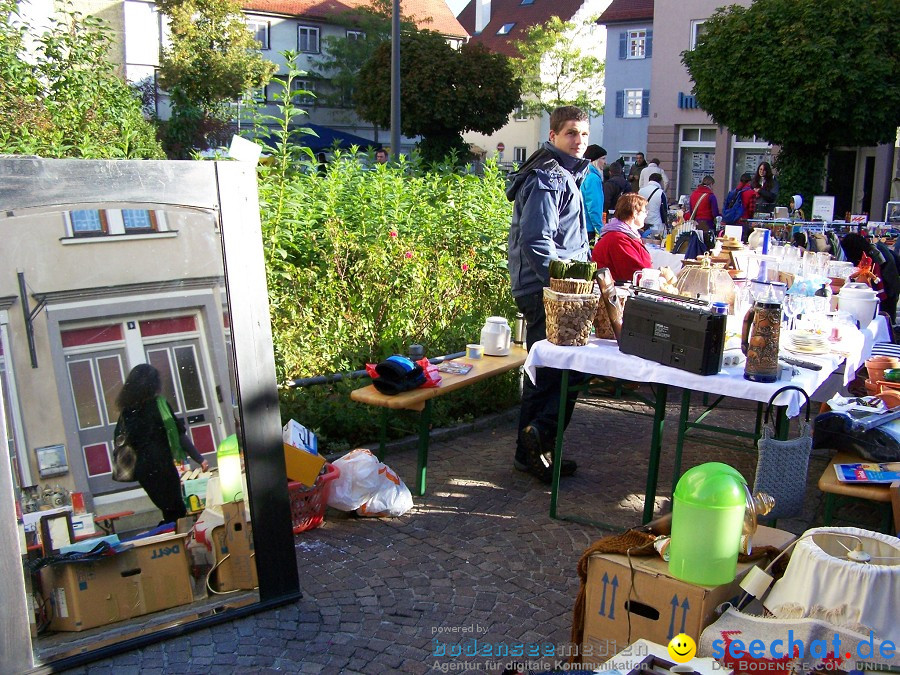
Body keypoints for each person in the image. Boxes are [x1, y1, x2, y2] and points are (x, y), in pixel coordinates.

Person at [507, 105, 591, 483]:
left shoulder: (562, 174)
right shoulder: (549, 177)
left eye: (584, 135)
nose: (579, 141)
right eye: (572, 133)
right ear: (553, 135)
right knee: (567, 373)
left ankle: (531, 455)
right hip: (548, 290)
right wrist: (564, 286)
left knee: (547, 374)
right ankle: (539, 439)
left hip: (547, 288)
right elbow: (536, 240)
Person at [114, 364, 208, 524]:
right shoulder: (160, 405)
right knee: (177, 511)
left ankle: (172, 540)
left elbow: (122, 440)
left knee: (168, 510)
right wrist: (200, 459)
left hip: (144, 470)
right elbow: (179, 435)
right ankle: (179, 544)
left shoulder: (127, 412)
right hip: (162, 464)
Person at [591, 192, 652, 283]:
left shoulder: (623, 235)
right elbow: (633, 273)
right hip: (621, 292)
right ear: (635, 213)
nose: (646, 215)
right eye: (644, 211)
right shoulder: (618, 239)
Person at [841, 233, 900, 323]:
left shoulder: (876, 258)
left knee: (885, 318)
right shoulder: (875, 252)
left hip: (886, 293)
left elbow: (887, 283)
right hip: (888, 290)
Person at [581, 144, 607, 246]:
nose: (605, 162)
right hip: (589, 227)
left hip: (582, 225)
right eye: (603, 158)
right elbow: (593, 206)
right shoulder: (593, 178)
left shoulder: (584, 174)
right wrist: (600, 229)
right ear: (595, 160)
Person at [638, 172, 668, 237]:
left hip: (642, 223)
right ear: (660, 181)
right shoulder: (661, 193)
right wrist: (665, 224)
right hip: (656, 224)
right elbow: (664, 210)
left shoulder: (640, 191)